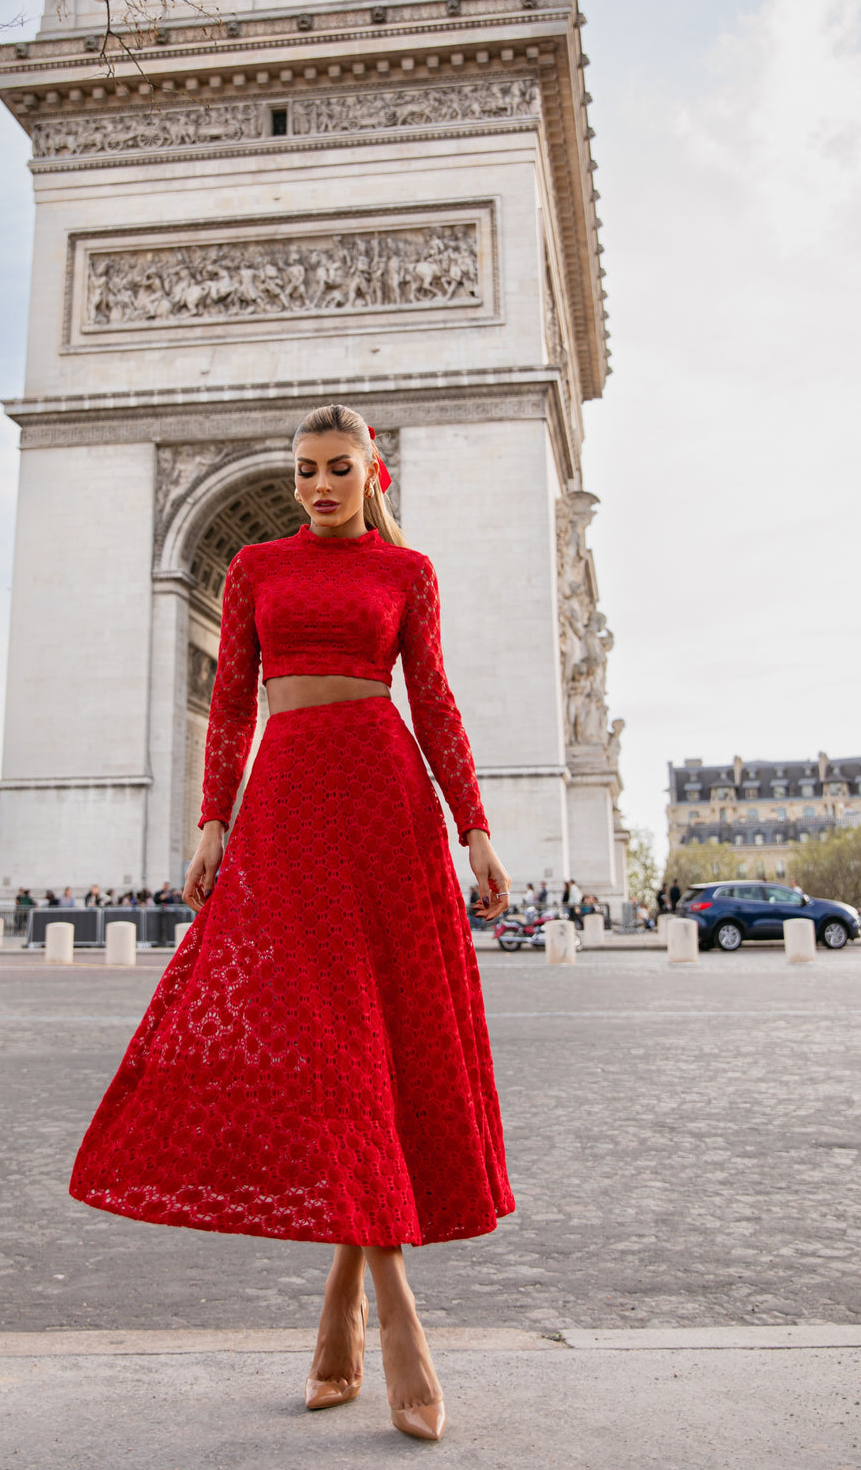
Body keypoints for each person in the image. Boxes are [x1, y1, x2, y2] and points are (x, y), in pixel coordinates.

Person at [70, 404, 514, 1443]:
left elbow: (436, 703)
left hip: (386, 808)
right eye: (306, 469)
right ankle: (395, 1322)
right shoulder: (256, 569)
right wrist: (212, 819)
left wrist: (477, 829)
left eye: (337, 469)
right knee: (334, 1055)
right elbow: (228, 706)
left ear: (375, 475)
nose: (319, 485)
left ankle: (344, 1321)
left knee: (376, 1053)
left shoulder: (409, 576)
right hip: (286, 815)